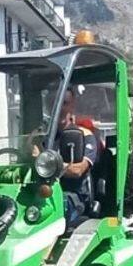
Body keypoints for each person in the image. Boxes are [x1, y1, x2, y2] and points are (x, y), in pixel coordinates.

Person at [57, 89, 99, 223]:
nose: (60, 108)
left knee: (60, 204)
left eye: (64, 103)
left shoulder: (85, 135)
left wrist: (50, 166)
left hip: (74, 198)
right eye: (55, 103)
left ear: (72, 105)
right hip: (43, 193)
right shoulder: (43, 138)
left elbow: (77, 170)